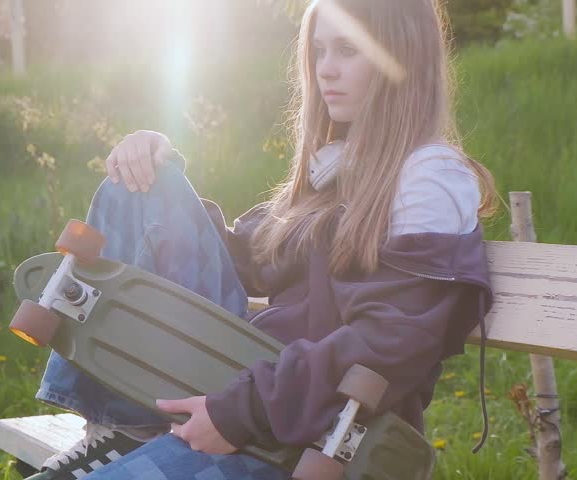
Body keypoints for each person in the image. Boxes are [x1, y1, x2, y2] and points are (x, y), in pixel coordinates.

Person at [25, 0, 499, 478]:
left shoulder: (428, 178)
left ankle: (134, 427)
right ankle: (124, 424)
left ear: (402, 58)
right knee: (140, 184)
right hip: (252, 388)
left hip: (306, 433)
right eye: (319, 50)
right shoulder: (337, 165)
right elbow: (248, 259)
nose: (325, 69)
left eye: (348, 50)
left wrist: (238, 412)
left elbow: (389, 344)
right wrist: (158, 171)